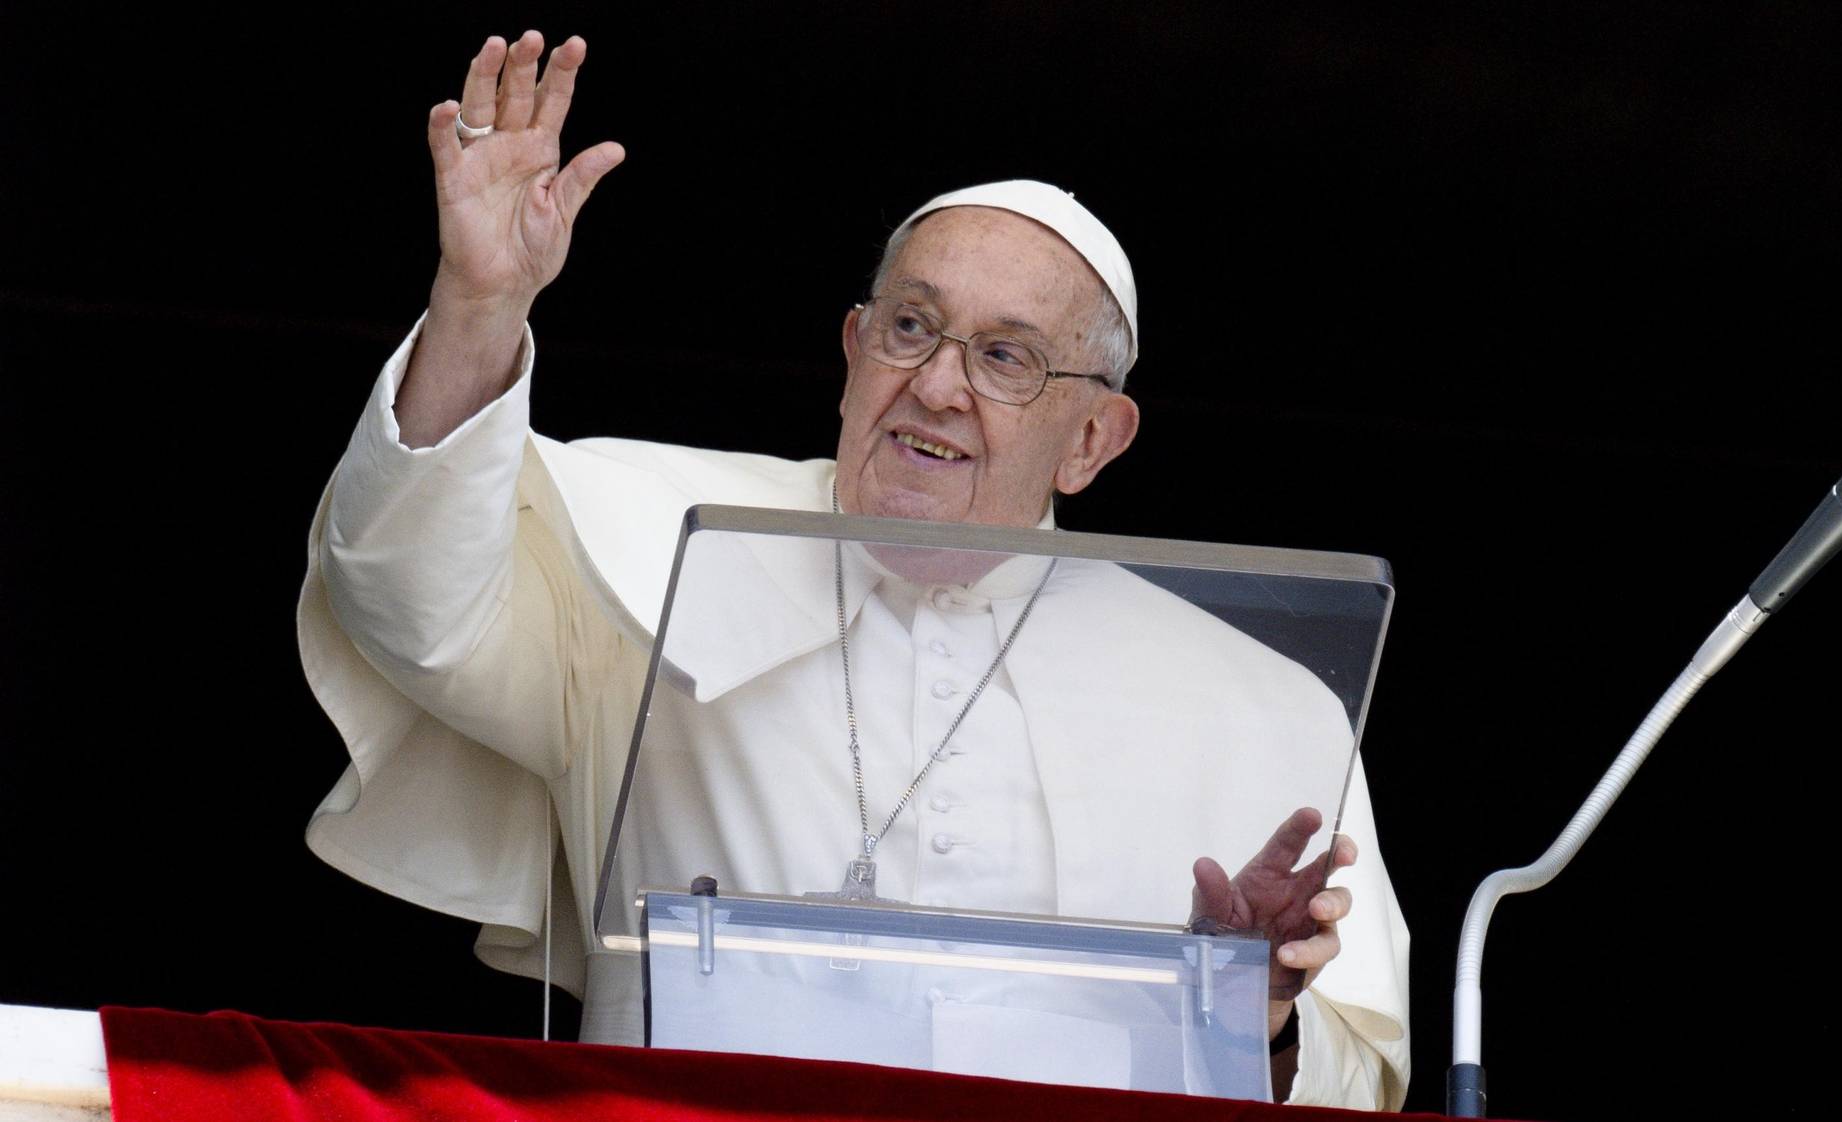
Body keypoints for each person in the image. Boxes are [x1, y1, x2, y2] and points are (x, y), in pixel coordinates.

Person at [298, 29, 1410, 1108]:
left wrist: (1250, 1013)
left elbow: (1354, 1085)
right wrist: (481, 306)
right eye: (911, 327)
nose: (935, 385)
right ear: (851, 351)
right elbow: (408, 602)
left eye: (1005, 357)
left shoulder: (1253, 705)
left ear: (1090, 441)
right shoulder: (645, 549)